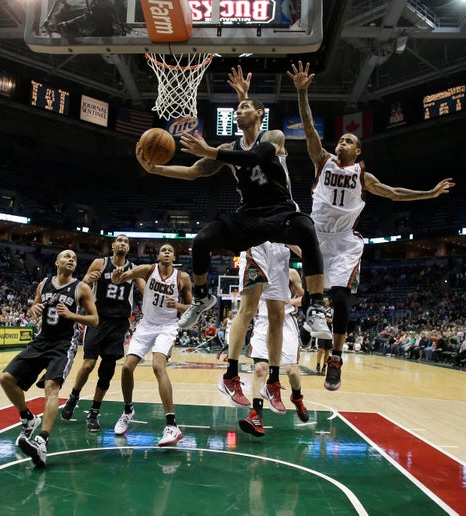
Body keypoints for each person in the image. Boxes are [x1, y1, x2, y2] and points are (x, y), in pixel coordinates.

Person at [135, 65, 332, 409]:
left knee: (306, 229)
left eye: (245, 107)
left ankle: (315, 308)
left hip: (281, 213)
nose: (239, 110)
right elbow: (195, 172)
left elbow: (253, 155)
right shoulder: (228, 146)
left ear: (259, 113)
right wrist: (156, 169)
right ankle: (200, 298)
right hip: (251, 219)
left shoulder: (273, 139)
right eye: (237, 107)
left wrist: (211, 150)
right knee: (202, 240)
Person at [287, 60, 456, 390]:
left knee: (341, 298)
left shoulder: (362, 175)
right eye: (341, 139)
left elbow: (393, 193)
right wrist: (302, 92)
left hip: (345, 242)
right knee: (286, 234)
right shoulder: (322, 160)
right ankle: (311, 311)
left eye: (349, 140)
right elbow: (308, 128)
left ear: (359, 150)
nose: (343, 142)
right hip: (315, 236)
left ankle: (335, 358)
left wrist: (430, 193)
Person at [0, 249, 99, 467]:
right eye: (67, 256)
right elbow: (35, 306)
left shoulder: (81, 288)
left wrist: (72, 315)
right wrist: (33, 307)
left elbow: (94, 319)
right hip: (42, 340)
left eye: (74, 257)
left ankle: (42, 441)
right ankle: (27, 417)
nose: (72, 259)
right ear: (57, 262)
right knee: (6, 378)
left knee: (52, 386)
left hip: (63, 344)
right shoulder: (43, 284)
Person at [109, 243, 193, 446]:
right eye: (163, 250)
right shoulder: (147, 270)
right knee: (127, 367)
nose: (166, 252)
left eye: (170, 250)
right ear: (158, 255)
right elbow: (119, 278)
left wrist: (179, 305)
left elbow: (191, 308)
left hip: (167, 326)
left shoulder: (182, 278)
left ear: (174, 257)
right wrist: (117, 274)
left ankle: (172, 425)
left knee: (158, 366)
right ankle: (128, 410)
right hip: (146, 325)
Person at [60, 234, 146, 432]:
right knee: (88, 364)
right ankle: (73, 397)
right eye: (119, 241)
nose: (122, 243)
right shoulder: (100, 263)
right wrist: (88, 279)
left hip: (119, 325)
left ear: (129, 248)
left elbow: (145, 293)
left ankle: (94, 412)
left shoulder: (133, 270)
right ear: (113, 245)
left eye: (126, 242)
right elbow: (82, 287)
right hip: (98, 320)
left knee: (106, 371)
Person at [239, 242, 310, 436]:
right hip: (262, 321)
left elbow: (305, 298)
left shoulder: (291, 274)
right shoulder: (256, 269)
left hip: (285, 320)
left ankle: (297, 398)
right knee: (261, 369)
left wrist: (288, 301)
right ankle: (256, 414)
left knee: (291, 370)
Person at [313, 297, 334, 375]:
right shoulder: (319, 310)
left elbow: (334, 321)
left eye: (326, 301)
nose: (325, 302)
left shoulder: (332, 311)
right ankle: (318, 365)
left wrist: (330, 320)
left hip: (328, 332)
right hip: (321, 332)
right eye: (324, 301)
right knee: (321, 349)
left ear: (329, 302)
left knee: (327, 351)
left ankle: (324, 367)